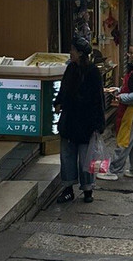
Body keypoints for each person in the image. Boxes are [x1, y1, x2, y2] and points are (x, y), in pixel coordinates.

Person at [53, 36, 106, 203]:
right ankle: (68, 189)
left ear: (80, 53)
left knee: (86, 158)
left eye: (73, 50)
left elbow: (98, 98)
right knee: (67, 157)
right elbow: (63, 89)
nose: (71, 52)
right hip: (69, 120)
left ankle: (88, 189)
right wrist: (58, 102)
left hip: (86, 122)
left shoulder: (92, 71)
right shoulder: (70, 69)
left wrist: (98, 124)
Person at [97, 44, 133, 181]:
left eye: (131, 53)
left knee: (124, 141)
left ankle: (114, 170)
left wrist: (122, 97)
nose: (128, 55)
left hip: (132, 112)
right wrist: (119, 90)